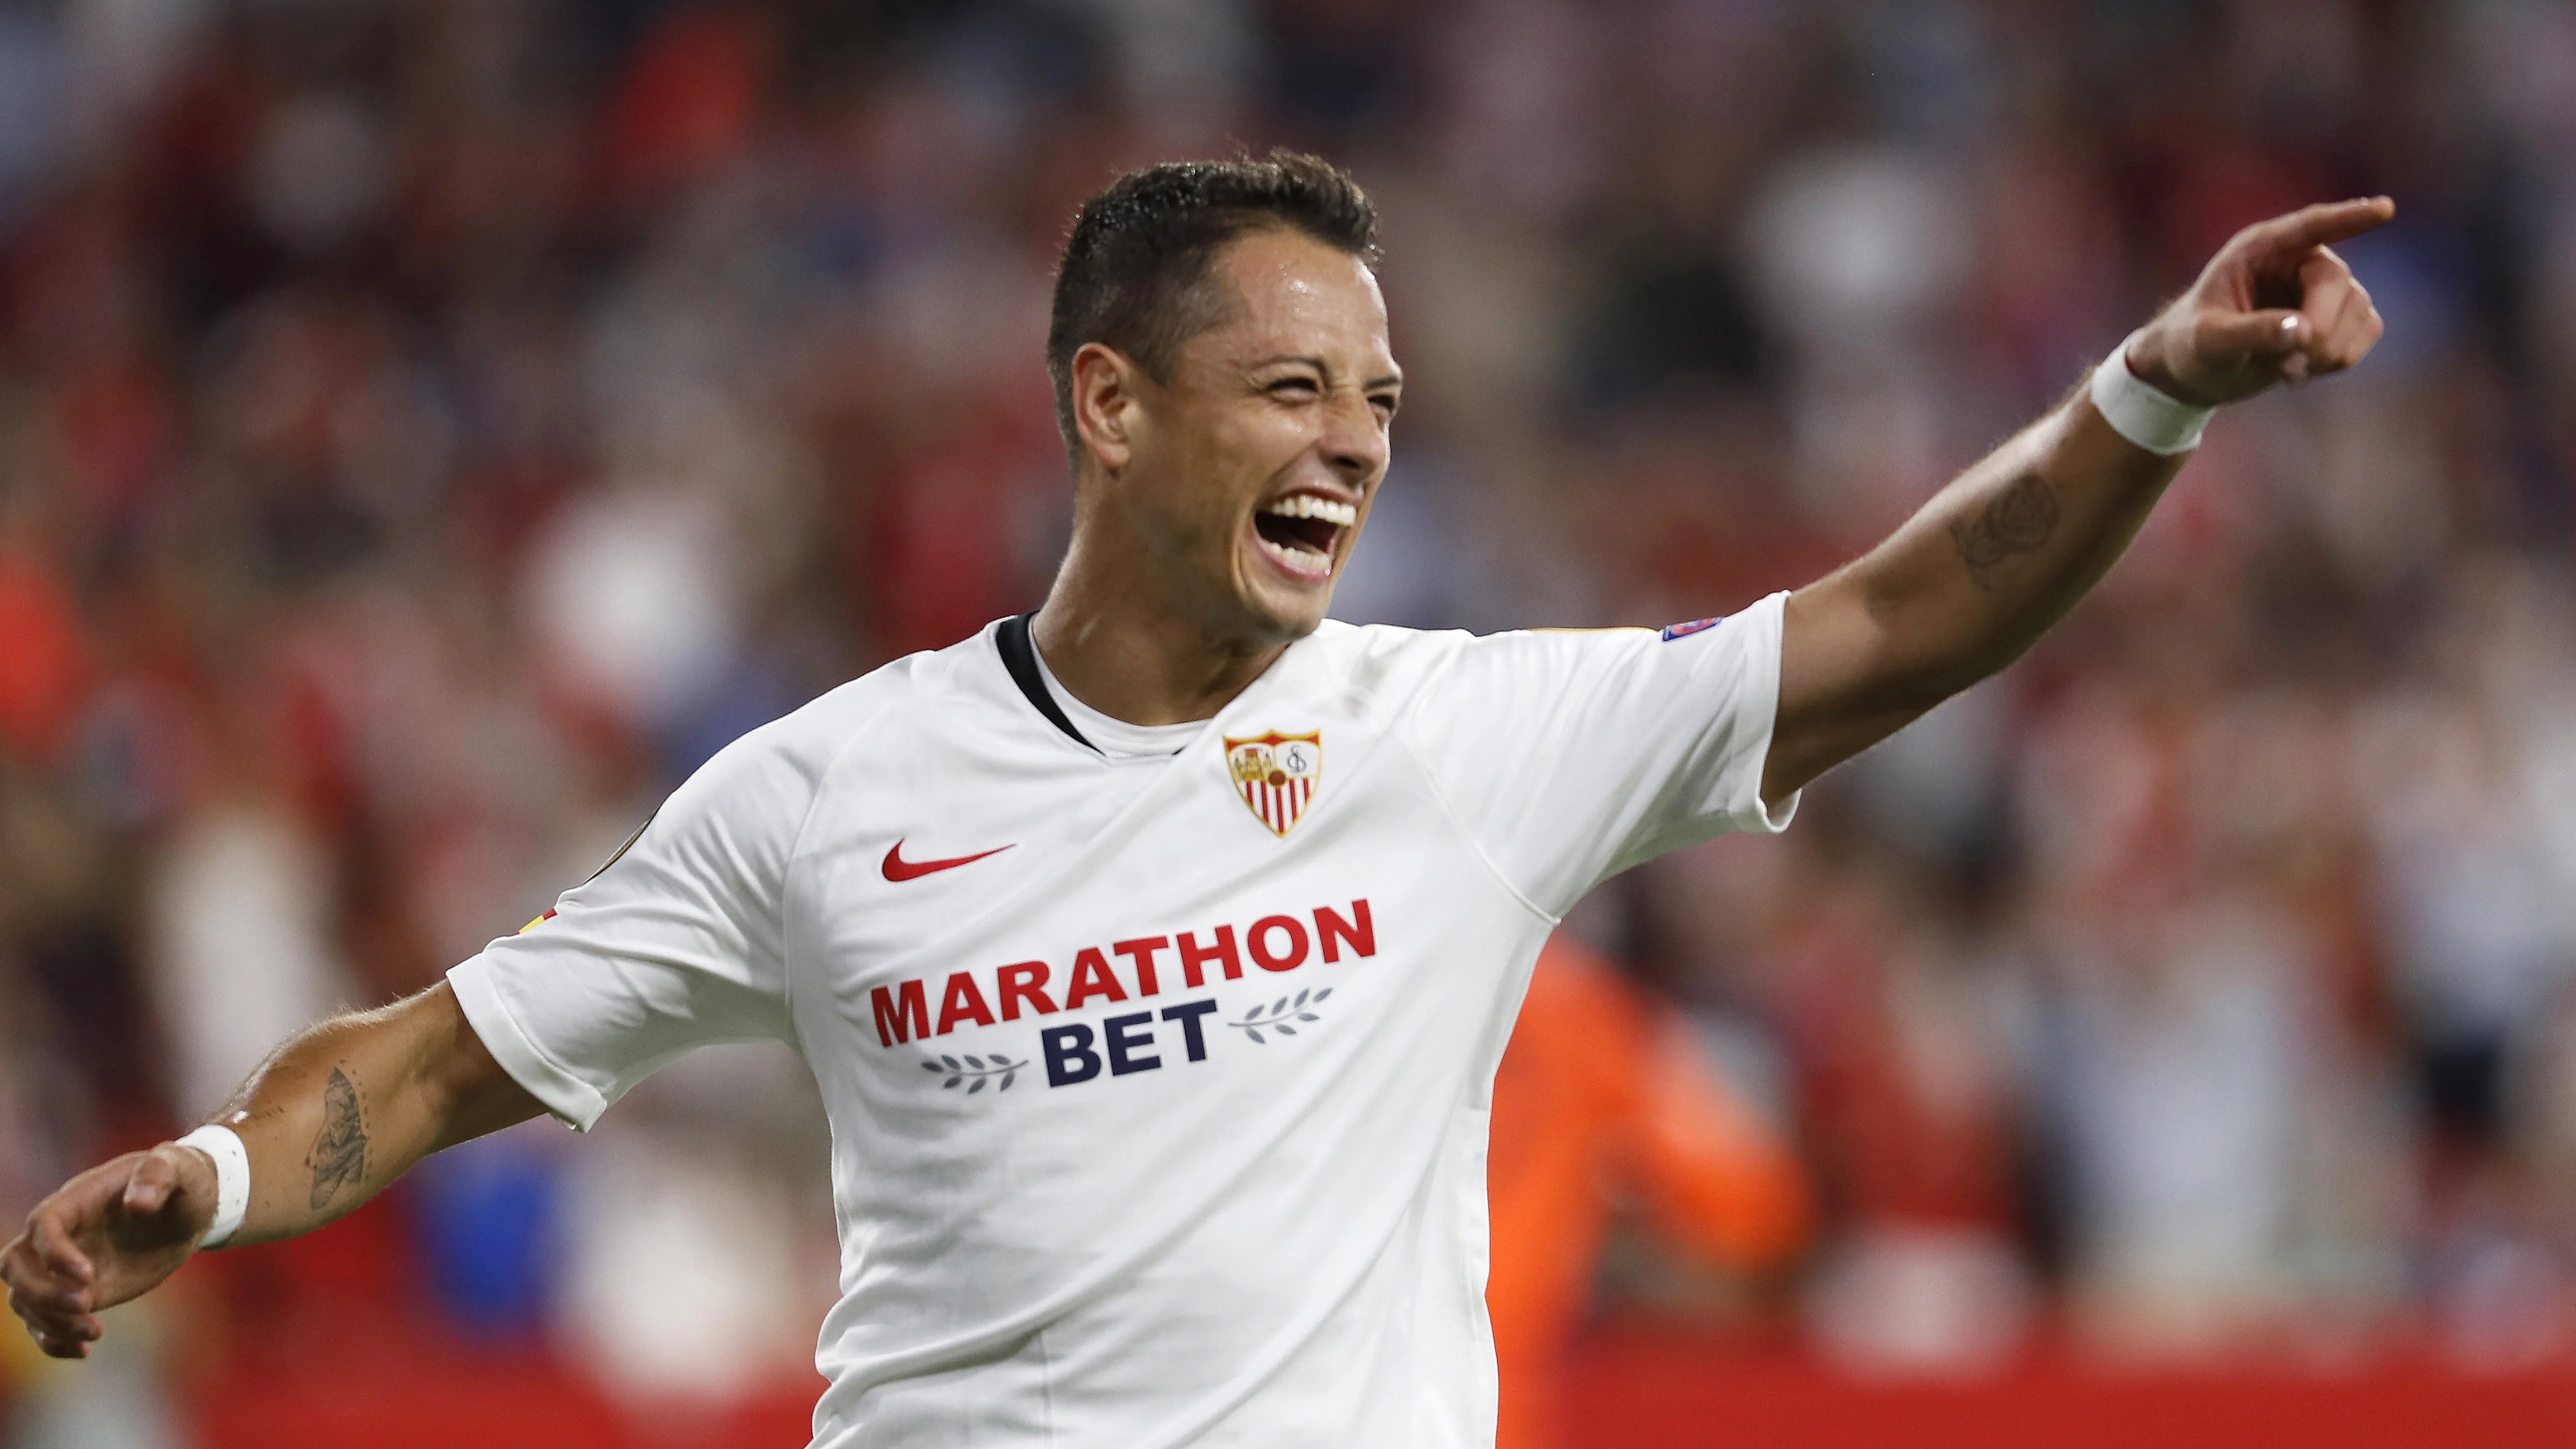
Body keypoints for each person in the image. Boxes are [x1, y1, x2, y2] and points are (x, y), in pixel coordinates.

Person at [4, 152, 2386, 1445]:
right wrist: (210, 1179)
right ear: (1110, 407)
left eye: (1375, 390)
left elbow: (1893, 617)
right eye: (1285, 385)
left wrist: (2152, 392)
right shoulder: (826, 794)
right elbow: (430, 1057)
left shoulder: (1461, 739)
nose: (1353, 434)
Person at [1486, 935, 1808, 1449]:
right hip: (1489, 1377)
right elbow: (1752, 1201)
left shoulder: (1342, 973)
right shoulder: (1575, 1004)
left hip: (1337, 1364)